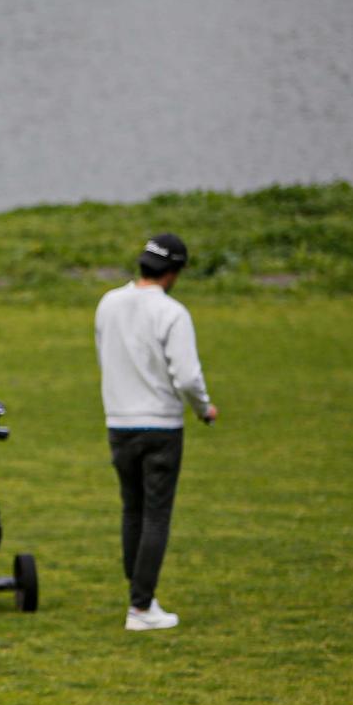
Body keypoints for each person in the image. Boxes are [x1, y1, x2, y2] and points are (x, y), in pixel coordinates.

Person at [95, 234, 219, 632]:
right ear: (173, 272)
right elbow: (186, 375)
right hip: (161, 425)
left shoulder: (108, 304)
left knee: (132, 511)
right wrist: (203, 408)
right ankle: (141, 607)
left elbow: (105, 356)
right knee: (155, 516)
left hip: (119, 421)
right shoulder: (172, 313)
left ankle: (140, 597)